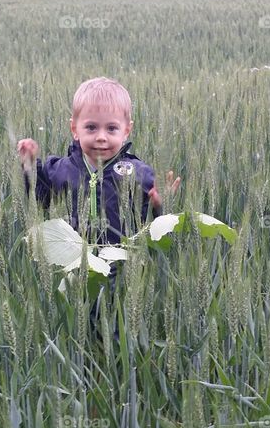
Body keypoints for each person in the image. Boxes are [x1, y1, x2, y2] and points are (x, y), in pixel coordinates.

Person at [16, 77, 180, 338]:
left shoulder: (138, 173)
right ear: (74, 128)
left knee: (118, 325)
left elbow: (154, 226)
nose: (101, 137)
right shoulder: (60, 170)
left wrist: (161, 205)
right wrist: (28, 166)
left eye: (111, 129)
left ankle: (115, 358)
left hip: (122, 268)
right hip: (73, 266)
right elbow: (39, 199)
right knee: (75, 324)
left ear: (127, 131)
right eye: (91, 127)